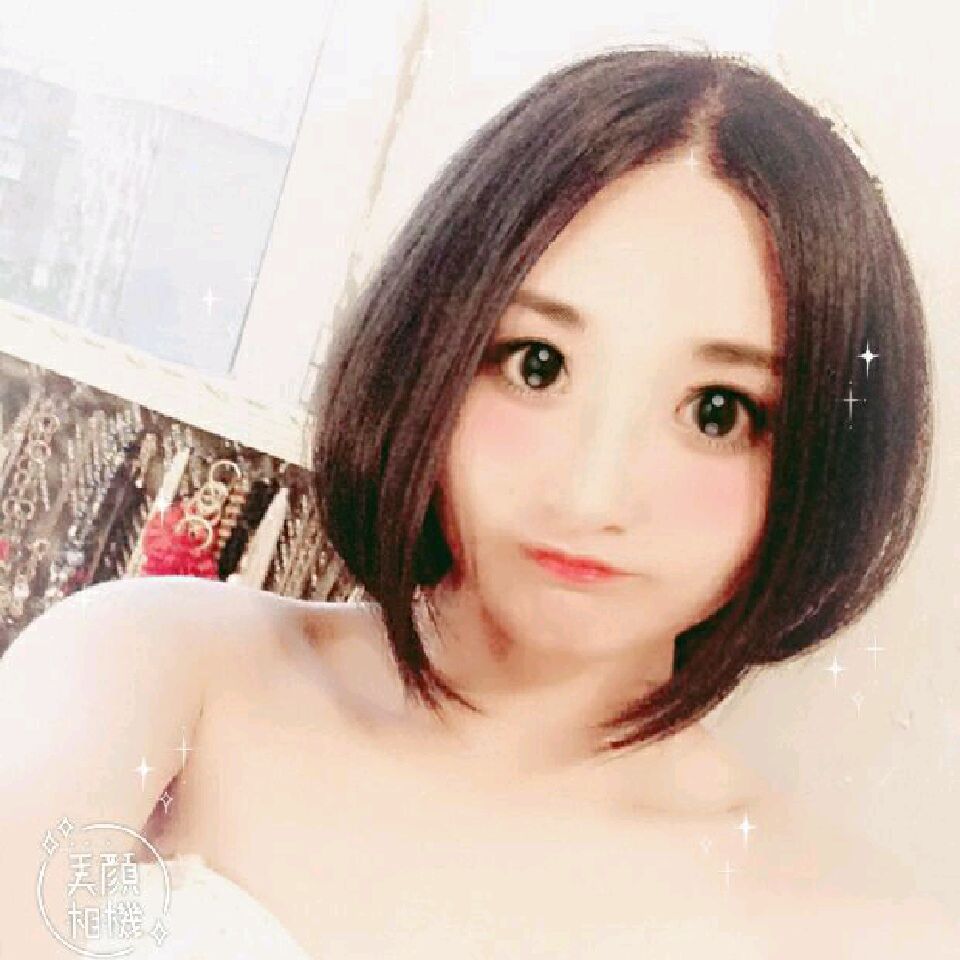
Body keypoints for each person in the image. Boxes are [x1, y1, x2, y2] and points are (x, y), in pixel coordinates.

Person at [2, 44, 956, 959]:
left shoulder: (860, 930)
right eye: (537, 365)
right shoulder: (157, 669)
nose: (591, 493)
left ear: (825, 460)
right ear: (431, 350)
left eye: (717, 412)